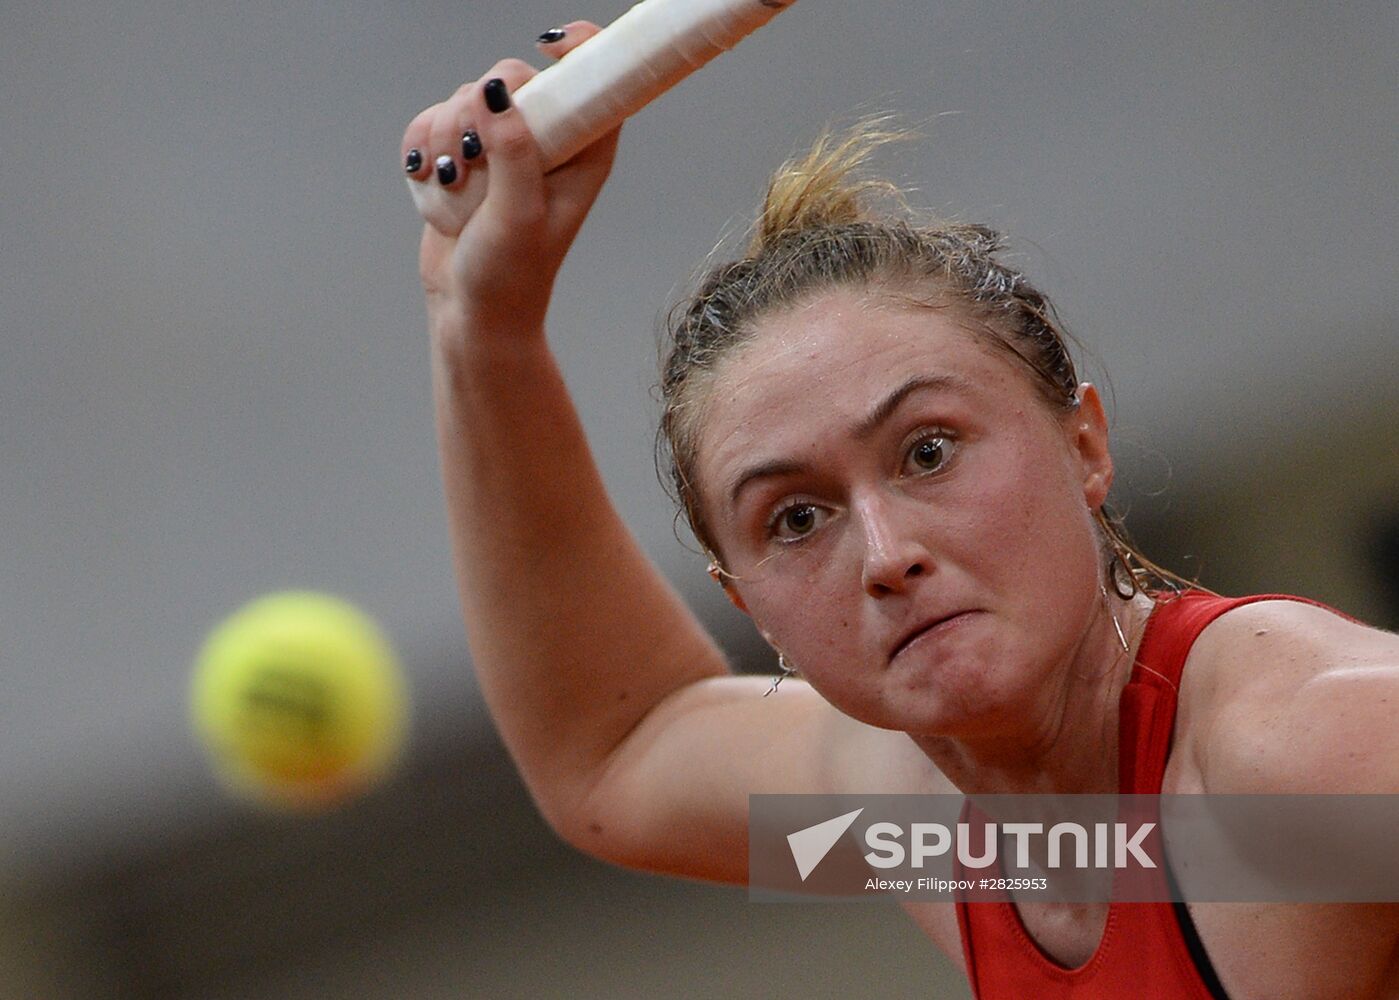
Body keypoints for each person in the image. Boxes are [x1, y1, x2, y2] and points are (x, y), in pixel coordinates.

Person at [401, 21, 1399, 999]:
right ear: (745, 602)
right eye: (796, 518)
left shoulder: (1301, 761)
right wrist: (480, 322)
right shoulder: (910, 821)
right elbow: (613, 753)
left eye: (927, 451)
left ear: (1083, 443)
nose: (885, 553)